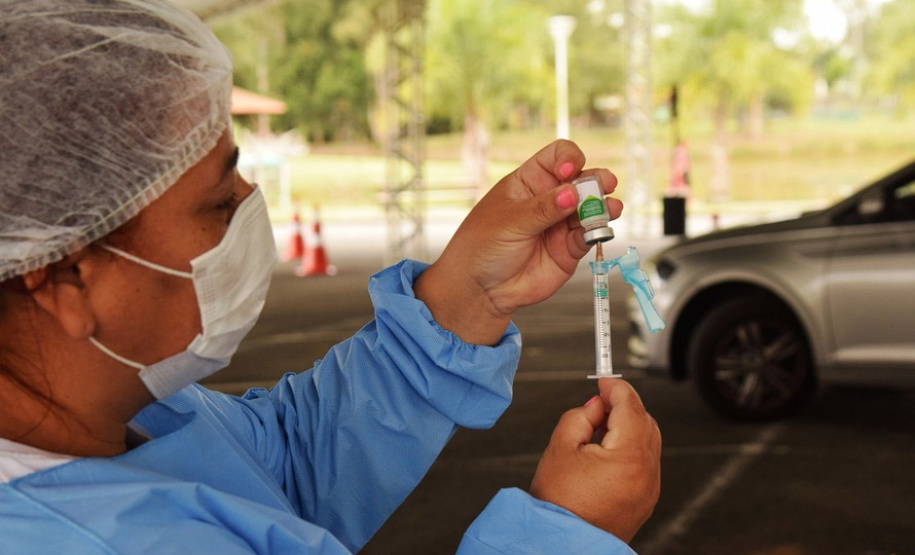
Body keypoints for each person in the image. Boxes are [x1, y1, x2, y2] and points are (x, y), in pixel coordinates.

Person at [0, 1, 661, 553]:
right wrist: (565, 535)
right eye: (218, 200)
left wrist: (468, 293)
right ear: (66, 276)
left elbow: (284, 466)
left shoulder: (129, 410)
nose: (251, 202)